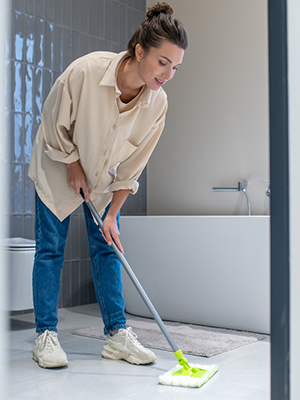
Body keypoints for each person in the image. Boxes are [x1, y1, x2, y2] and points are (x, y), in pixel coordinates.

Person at [26, 2, 188, 369]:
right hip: (57, 163)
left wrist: (113, 214)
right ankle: (45, 336)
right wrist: (71, 162)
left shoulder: (157, 104)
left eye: (175, 66)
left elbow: (133, 164)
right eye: (163, 62)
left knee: (108, 247)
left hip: (102, 180)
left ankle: (117, 336)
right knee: (51, 247)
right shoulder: (86, 72)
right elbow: (53, 121)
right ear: (140, 50)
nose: (169, 73)